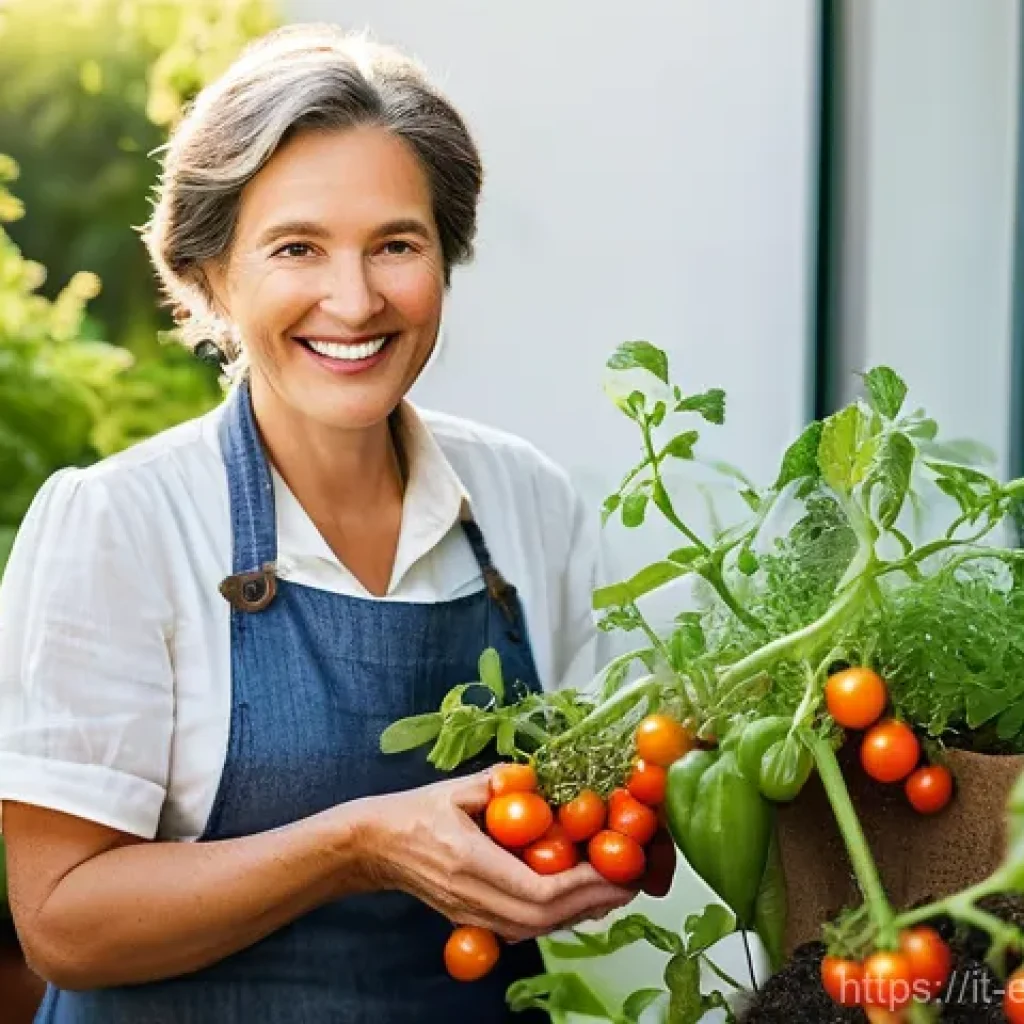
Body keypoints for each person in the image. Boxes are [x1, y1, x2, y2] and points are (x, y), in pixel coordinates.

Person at [0, 23, 638, 1023]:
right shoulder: (121, 524)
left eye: (396, 244)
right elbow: (63, 923)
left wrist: (624, 833)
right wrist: (355, 847)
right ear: (211, 274)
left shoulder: (528, 502)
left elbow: (618, 809)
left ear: (445, 259)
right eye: (297, 247)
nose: (354, 300)